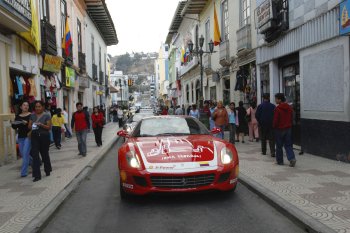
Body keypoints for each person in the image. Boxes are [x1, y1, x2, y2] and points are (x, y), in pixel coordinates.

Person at [28, 101, 52, 182]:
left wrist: (41, 125)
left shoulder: (47, 115)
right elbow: (29, 126)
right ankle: (37, 175)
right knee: (35, 155)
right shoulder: (32, 115)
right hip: (34, 137)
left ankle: (47, 169)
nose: (37, 108)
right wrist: (32, 124)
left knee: (44, 154)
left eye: (39, 106)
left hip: (44, 137)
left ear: (43, 107)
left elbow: (49, 127)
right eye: (36, 107)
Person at [273, 93, 296, 167]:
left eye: (276, 99)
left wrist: (274, 126)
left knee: (279, 146)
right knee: (288, 145)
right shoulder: (289, 108)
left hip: (279, 129)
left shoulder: (277, 109)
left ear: (280, 99)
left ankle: (280, 161)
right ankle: (292, 158)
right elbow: (292, 116)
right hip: (288, 128)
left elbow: (276, 120)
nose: (275, 100)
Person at [11, 101, 31, 177]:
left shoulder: (31, 115)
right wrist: (13, 124)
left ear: (28, 107)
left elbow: (34, 125)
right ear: (21, 107)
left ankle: (23, 172)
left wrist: (27, 123)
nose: (26, 106)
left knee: (25, 153)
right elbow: (15, 127)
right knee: (23, 154)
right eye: (24, 105)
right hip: (20, 137)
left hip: (28, 137)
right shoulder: (18, 116)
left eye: (27, 105)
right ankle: (35, 162)